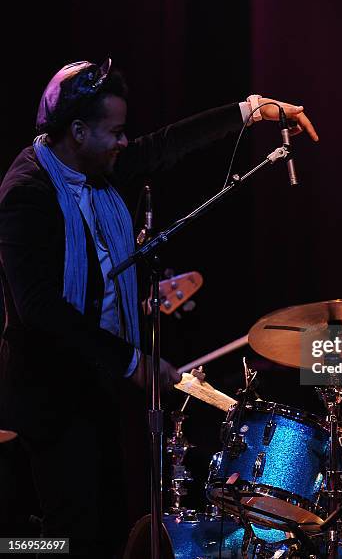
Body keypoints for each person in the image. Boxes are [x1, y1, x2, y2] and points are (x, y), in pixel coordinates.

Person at [0, 58, 318, 558]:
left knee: (106, 531)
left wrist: (251, 111)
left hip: (99, 383)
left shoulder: (94, 163)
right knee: (63, 540)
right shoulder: (28, 192)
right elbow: (40, 307)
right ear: (78, 131)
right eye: (117, 132)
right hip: (53, 393)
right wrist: (133, 362)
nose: (126, 142)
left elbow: (166, 144)